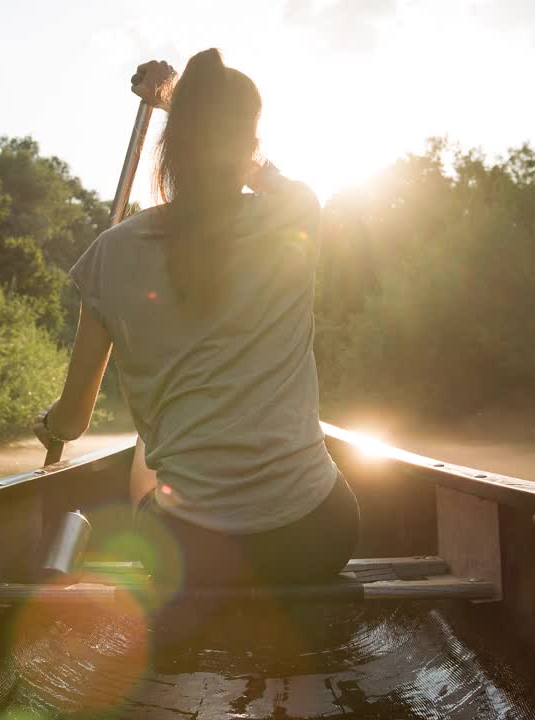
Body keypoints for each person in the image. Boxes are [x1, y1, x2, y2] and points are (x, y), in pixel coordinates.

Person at [33, 49, 359, 588]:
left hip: (191, 551)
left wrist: (49, 425)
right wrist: (174, 101)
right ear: (251, 142)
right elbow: (260, 175)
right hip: (318, 534)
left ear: (172, 144)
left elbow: (73, 422)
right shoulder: (296, 212)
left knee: (146, 450)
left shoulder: (111, 253)